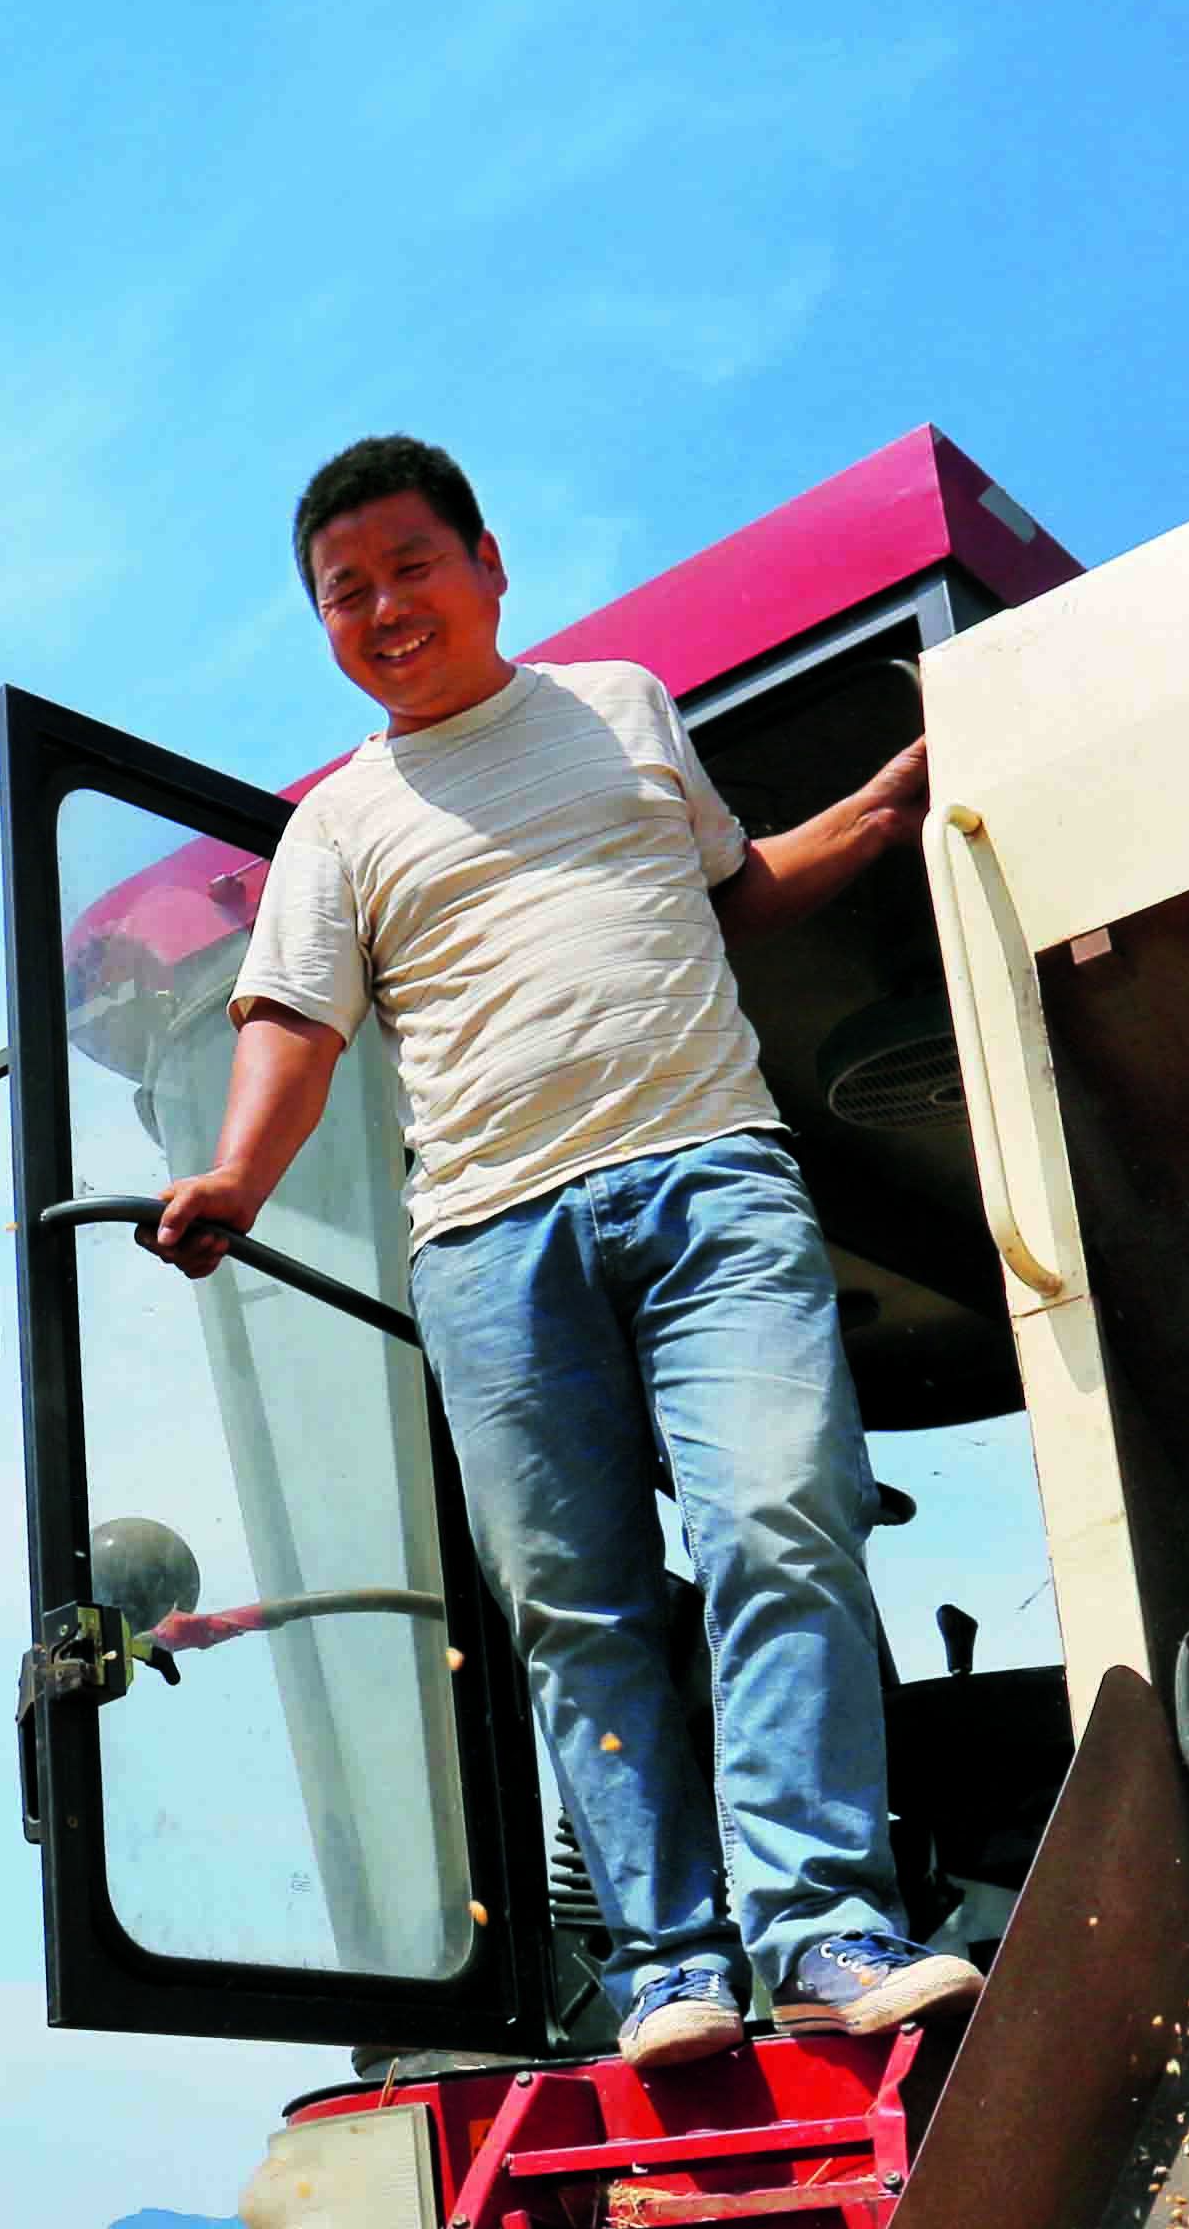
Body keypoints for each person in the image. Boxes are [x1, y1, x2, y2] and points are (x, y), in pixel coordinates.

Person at [150, 433, 981, 2076]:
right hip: (490, 1243)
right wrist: (237, 1173)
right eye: (344, 592)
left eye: (408, 565)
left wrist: (882, 820)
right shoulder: (340, 825)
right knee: (576, 1606)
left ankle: (823, 1930)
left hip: (710, 1186)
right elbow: (292, 1027)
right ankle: (669, 1963)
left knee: (778, 1517)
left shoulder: (620, 707)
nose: (383, 606)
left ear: (487, 563)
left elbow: (731, 895)